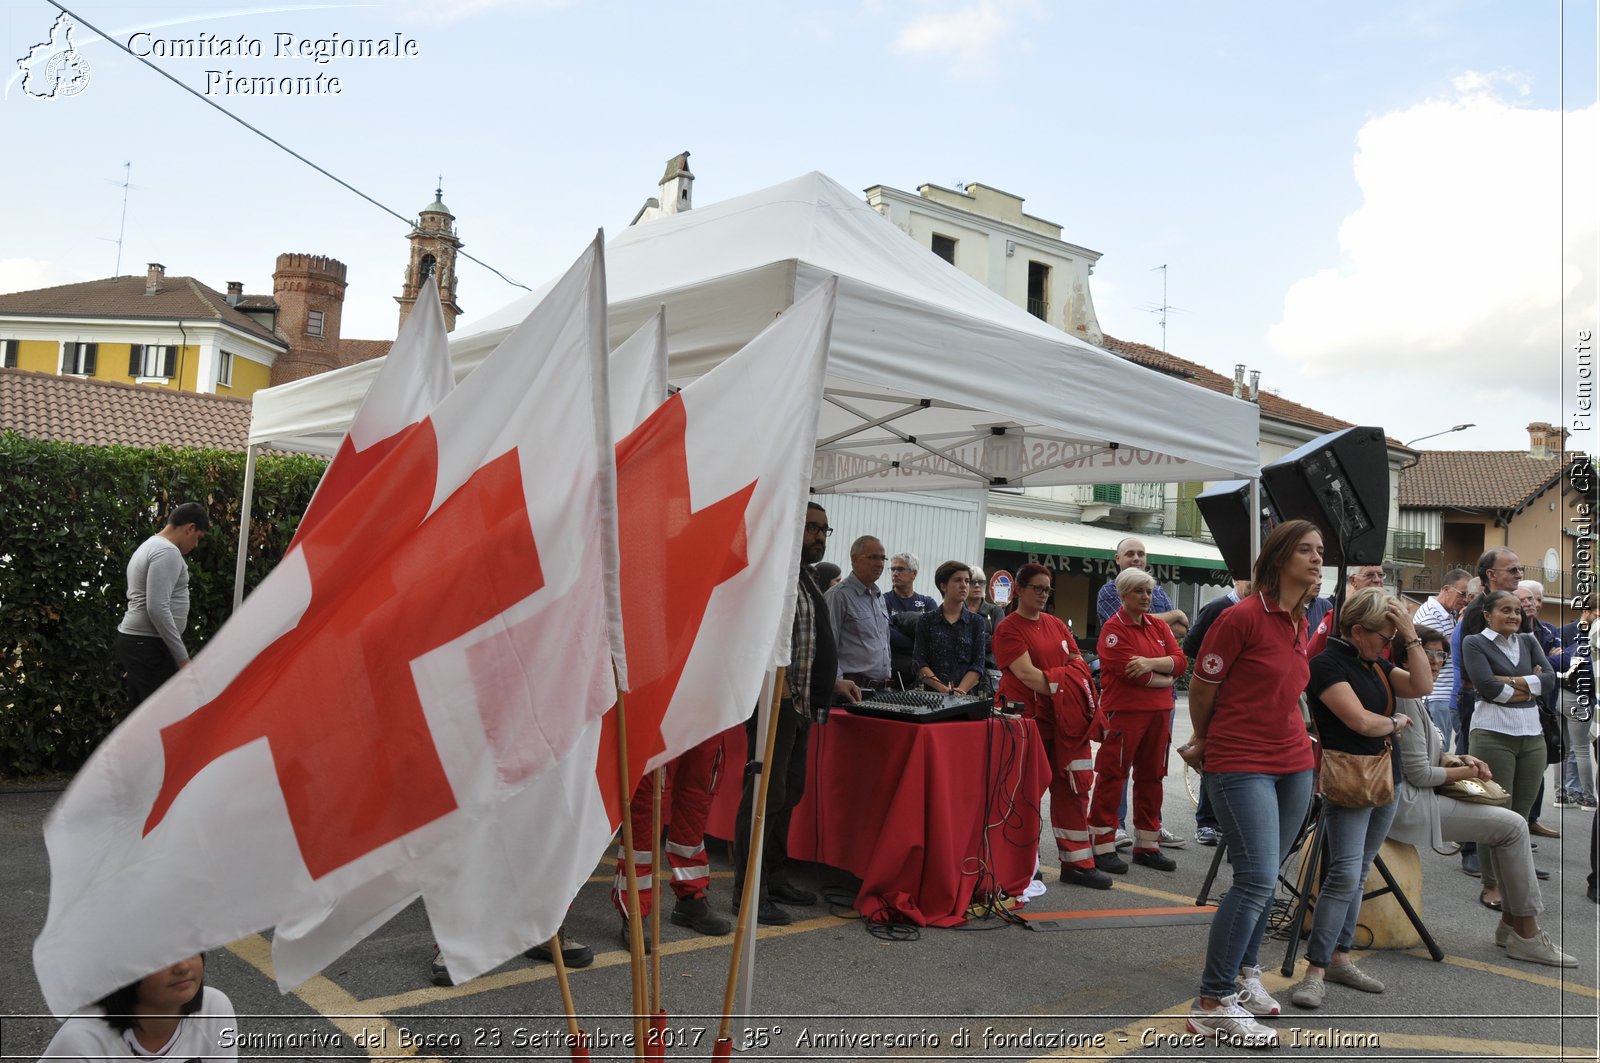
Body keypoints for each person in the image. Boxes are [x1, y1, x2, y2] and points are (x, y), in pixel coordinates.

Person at [1182, 519, 1323, 1048]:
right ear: (1280, 556)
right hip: (1241, 760)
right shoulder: (1241, 616)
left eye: (1320, 551)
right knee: (1257, 879)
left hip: (1293, 761)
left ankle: (1243, 976)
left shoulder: (1300, 619)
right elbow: (1202, 685)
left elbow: (1290, 691)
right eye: (1305, 551)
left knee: (1265, 876)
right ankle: (1211, 1002)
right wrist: (1203, 738)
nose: (1315, 559)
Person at [1387, 625, 1577, 967]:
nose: (1435, 661)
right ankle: (1527, 934)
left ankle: (1510, 924)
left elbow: (1430, 757)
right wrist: (1468, 772)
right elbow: (1419, 774)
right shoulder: (1405, 695)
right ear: (1405, 657)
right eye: (1427, 653)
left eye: (1441, 654)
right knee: (1514, 826)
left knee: (1511, 825)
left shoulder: (1414, 695)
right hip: (1410, 805)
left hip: (1418, 797)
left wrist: (1460, 759)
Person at [1287, 588, 1432, 1009]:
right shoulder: (1326, 664)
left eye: (1391, 639)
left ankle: (1338, 957)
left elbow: (1422, 683)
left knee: (1356, 869)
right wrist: (1394, 721)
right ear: (1356, 630)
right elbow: (1361, 721)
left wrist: (1409, 634)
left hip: (1386, 777)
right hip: (1352, 780)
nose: (1389, 644)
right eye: (1384, 637)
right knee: (1345, 874)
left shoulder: (1375, 663)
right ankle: (1316, 970)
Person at [733, 504, 860, 926]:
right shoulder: (775, 574)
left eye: (825, 528)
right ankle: (747, 891)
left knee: (790, 791)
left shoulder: (807, 576)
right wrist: (776, 684)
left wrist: (832, 683)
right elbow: (755, 632)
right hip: (777, 700)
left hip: (803, 701)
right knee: (764, 793)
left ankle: (774, 876)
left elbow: (808, 640)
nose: (819, 536)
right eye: (811, 527)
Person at [994, 563, 1108, 889]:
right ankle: (1024, 864)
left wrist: (1063, 685)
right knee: (1026, 793)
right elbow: (1026, 675)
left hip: (1065, 721)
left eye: (1047, 589)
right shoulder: (1009, 629)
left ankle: (1078, 864)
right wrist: (1066, 685)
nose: (1043, 594)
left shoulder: (1057, 624)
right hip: (1030, 721)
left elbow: (1078, 665)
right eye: (1037, 588)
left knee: (1074, 787)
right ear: (1019, 590)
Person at [1463, 589, 1556, 910]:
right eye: (1506, 610)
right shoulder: (1474, 642)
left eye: (1518, 610)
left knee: (1518, 818)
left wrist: (1510, 682)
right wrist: (1529, 684)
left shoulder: (1529, 641)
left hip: (1533, 737)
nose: (1515, 616)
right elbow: (1486, 688)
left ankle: (1514, 885)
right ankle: (1490, 885)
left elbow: (1550, 683)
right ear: (1488, 614)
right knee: (1495, 815)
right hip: (1492, 734)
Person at [1089, 567, 1187, 873]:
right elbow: (1133, 676)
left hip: (1158, 714)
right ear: (1123, 595)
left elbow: (1181, 664)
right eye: (1139, 592)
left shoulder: (1158, 628)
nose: (1146, 598)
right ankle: (1102, 846)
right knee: (1112, 777)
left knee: (1152, 777)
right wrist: (1165, 676)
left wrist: (1152, 663)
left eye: (1149, 592)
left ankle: (1147, 844)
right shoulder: (1113, 631)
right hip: (1126, 715)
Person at [1452, 548, 1537, 877]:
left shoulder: (1515, 609)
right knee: (1476, 774)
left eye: (1520, 569)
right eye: (1512, 569)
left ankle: (1509, 852)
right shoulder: (1478, 612)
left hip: (1517, 712)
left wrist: (1517, 682)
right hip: (1477, 703)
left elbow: (1536, 668)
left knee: (1509, 786)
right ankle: (1471, 847)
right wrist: (1523, 684)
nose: (1519, 574)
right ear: (1491, 575)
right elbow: (1479, 677)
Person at [611, 733, 735, 949]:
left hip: (706, 704)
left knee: (697, 795)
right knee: (648, 802)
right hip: (663, 704)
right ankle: (635, 907)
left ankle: (690, 895)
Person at [39, 953, 237, 1060]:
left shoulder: (214, 1009)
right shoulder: (82, 1043)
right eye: (162, 957)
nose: (183, 967)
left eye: (190, 947)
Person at [115, 502, 209, 709]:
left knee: (141, 715)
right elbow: (157, 607)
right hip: (147, 644)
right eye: (198, 538)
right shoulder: (167, 552)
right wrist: (183, 659)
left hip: (141, 644)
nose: (195, 545)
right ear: (190, 528)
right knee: (163, 715)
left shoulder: (150, 545)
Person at [1182, 579, 1251, 846]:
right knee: (1211, 753)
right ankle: (1207, 822)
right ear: (1236, 579)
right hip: (1217, 693)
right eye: (1247, 576)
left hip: (1243, 698)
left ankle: (1225, 821)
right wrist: (1215, 666)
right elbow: (1190, 646)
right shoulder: (1217, 608)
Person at [1412, 569, 1472, 750]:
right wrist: (1463, 624)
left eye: (1469, 595)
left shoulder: (1449, 614)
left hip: (1445, 692)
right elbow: (1438, 652)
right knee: (1439, 748)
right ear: (1447, 589)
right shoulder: (1431, 613)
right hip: (1438, 693)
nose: (1465, 599)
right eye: (1463, 594)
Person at [825, 535, 891, 691]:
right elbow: (826, 646)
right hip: (851, 691)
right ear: (854, 559)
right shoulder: (838, 596)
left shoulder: (878, 597)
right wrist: (837, 683)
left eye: (883, 558)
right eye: (873, 557)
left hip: (881, 690)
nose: (880, 564)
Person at [912, 561, 987, 695]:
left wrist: (959, 691)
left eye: (967, 581)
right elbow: (919, 663)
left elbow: (978, 664)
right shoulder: (926, 620)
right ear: (943, 586)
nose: (964, 585)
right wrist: (943, 689)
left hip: (966, 697)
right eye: (957, 580)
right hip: (932, 696)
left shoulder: (977, 622)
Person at [1552, 607, 1596, 809]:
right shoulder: (1588, 645)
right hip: (1578, 698)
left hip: (1560, 695)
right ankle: (1588, 798)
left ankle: (1561, 796)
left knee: (1565, 750)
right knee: (1582, 750)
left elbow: (1552, 661)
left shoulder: (1571, 641)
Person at [885, 552, 938, 688]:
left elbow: (936, 634)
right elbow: (886, 633)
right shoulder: (882, 600)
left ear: (914, 573)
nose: (895, 573)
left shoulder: (927, 602)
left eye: (900, 569)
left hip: (923, 674)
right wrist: (918, 643)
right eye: (893, 569)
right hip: (893, 672)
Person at [966, 565, 1005, 671]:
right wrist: (986, 637)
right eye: (973, 582)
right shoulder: (958, 609)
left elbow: (999, 640)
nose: (977, 585)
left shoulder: (995, 611)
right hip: (960, 669)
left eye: (981, 582)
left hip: (988, 671)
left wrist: (968, 641)